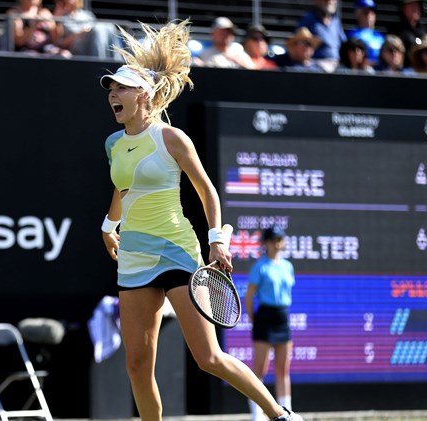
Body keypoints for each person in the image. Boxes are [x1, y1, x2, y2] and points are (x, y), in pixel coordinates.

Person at [98, 19, 299, 421]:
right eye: (111, 88)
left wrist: (216, 240)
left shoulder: (171, 138)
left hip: (177, 251)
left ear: (144, 95)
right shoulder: (114, 144)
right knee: (137, 365)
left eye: (121, 87)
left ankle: (279, 415)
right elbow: (124, 189)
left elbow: (207, 190)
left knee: (208, 356)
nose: (113, 95)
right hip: (135, 256)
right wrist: (108, 226)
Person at [245, 226, 296, 421]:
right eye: (273, 240)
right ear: (265, 243)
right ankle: (257, 415)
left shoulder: (288, 266)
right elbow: (249, 297)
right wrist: (254, 320)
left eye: (280, 239)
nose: (277, 243)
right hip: (265, 317)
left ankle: (287, 412)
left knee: (283, 370)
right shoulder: (260, 266)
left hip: (282, 317)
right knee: (260, 370)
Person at [52, 0, 119, 59]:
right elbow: (59, 42)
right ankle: (99, 62)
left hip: (93, 40)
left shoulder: (87, 14)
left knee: (109, 26)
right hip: (76, 46)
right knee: (96, 30)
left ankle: (117, 61)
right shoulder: (61, 17)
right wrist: (82, 32)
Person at [296, 0, 347, 72]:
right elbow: (298, 43)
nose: (329, 2)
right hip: (316, 65)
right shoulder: (308, 19)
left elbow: (344, 42)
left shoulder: (336, 21)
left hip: (337, 65)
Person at [390, 0, 427, 67]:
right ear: (404, 9)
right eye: (411, 6)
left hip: (426, 71)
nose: (415, 9)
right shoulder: (396, 31)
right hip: (405, 71)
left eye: (417, 6)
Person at [346, 0, 385, 65]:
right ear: (357, 14)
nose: (369, 16)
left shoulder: (380, 37)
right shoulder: (351, 35)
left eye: (372, 12)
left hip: (380, 72)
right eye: (365, 12)